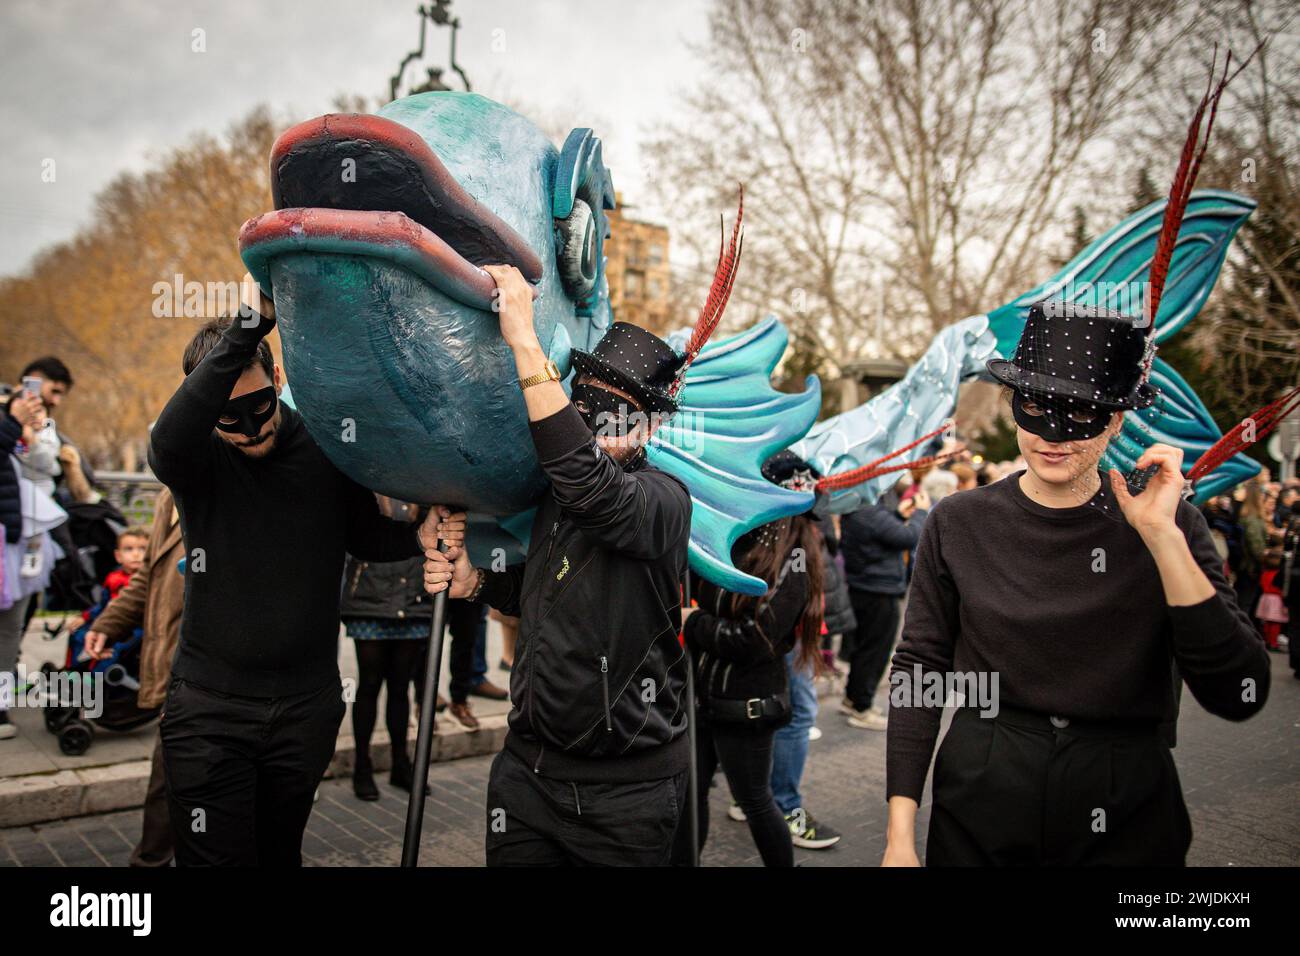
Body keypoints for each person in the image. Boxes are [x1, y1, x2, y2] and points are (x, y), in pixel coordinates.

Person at [882, 301, 1270, 867]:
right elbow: (920, 667)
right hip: (984, 791)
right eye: (1036, 406)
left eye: (1083, 411)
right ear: (1014, 408)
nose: (1054, 436)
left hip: (1124, 802)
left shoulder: (1168, 521)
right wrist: (899, 836)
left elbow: (1240, 692)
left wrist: (1162, 537)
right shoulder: (959, 520)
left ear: (1115, 420)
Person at [147, 274, 464, 866]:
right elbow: (164, 443)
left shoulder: (325, 442)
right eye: (226, 416)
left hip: (305, 711)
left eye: (260, 405)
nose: (249, 428)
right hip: (211, 712)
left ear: (278, 382)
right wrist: (248, 326)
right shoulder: (196, 461)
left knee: (278, 857)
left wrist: (418, 537)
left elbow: (364, 535)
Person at [424, 264, 692, 867]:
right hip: (526, 778)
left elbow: (590, 487)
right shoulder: (556, 497)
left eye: (621, 408)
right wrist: (480, 582)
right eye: (590, 395)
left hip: (627, 796)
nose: (600, 417)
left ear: (648, 425)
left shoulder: (663, 500)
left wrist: (523, 337)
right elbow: (550, 596)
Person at [84, 488, 185, 867]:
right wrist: (108, 622)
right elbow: (149, 575)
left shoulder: (224, 487)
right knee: (170, 781)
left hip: (200, 675)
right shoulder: (167, 497)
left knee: (172, 782)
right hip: (171, 669)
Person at [840, 478, 930, 729]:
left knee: (864, 649)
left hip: (866, 585)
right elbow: (907, 536)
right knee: (875, 652)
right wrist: (922, 512)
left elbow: (883, 529)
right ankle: (861, 707)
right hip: (878, 589)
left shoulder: (859, 507)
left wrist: (897, 513)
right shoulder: (868, 509)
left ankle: (852, 697)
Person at [0, 390, 48, 741]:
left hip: (13, 544)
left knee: (8, 630)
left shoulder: (16, 434)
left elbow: (48, 468)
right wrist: (12, 422)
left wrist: (29, 432)